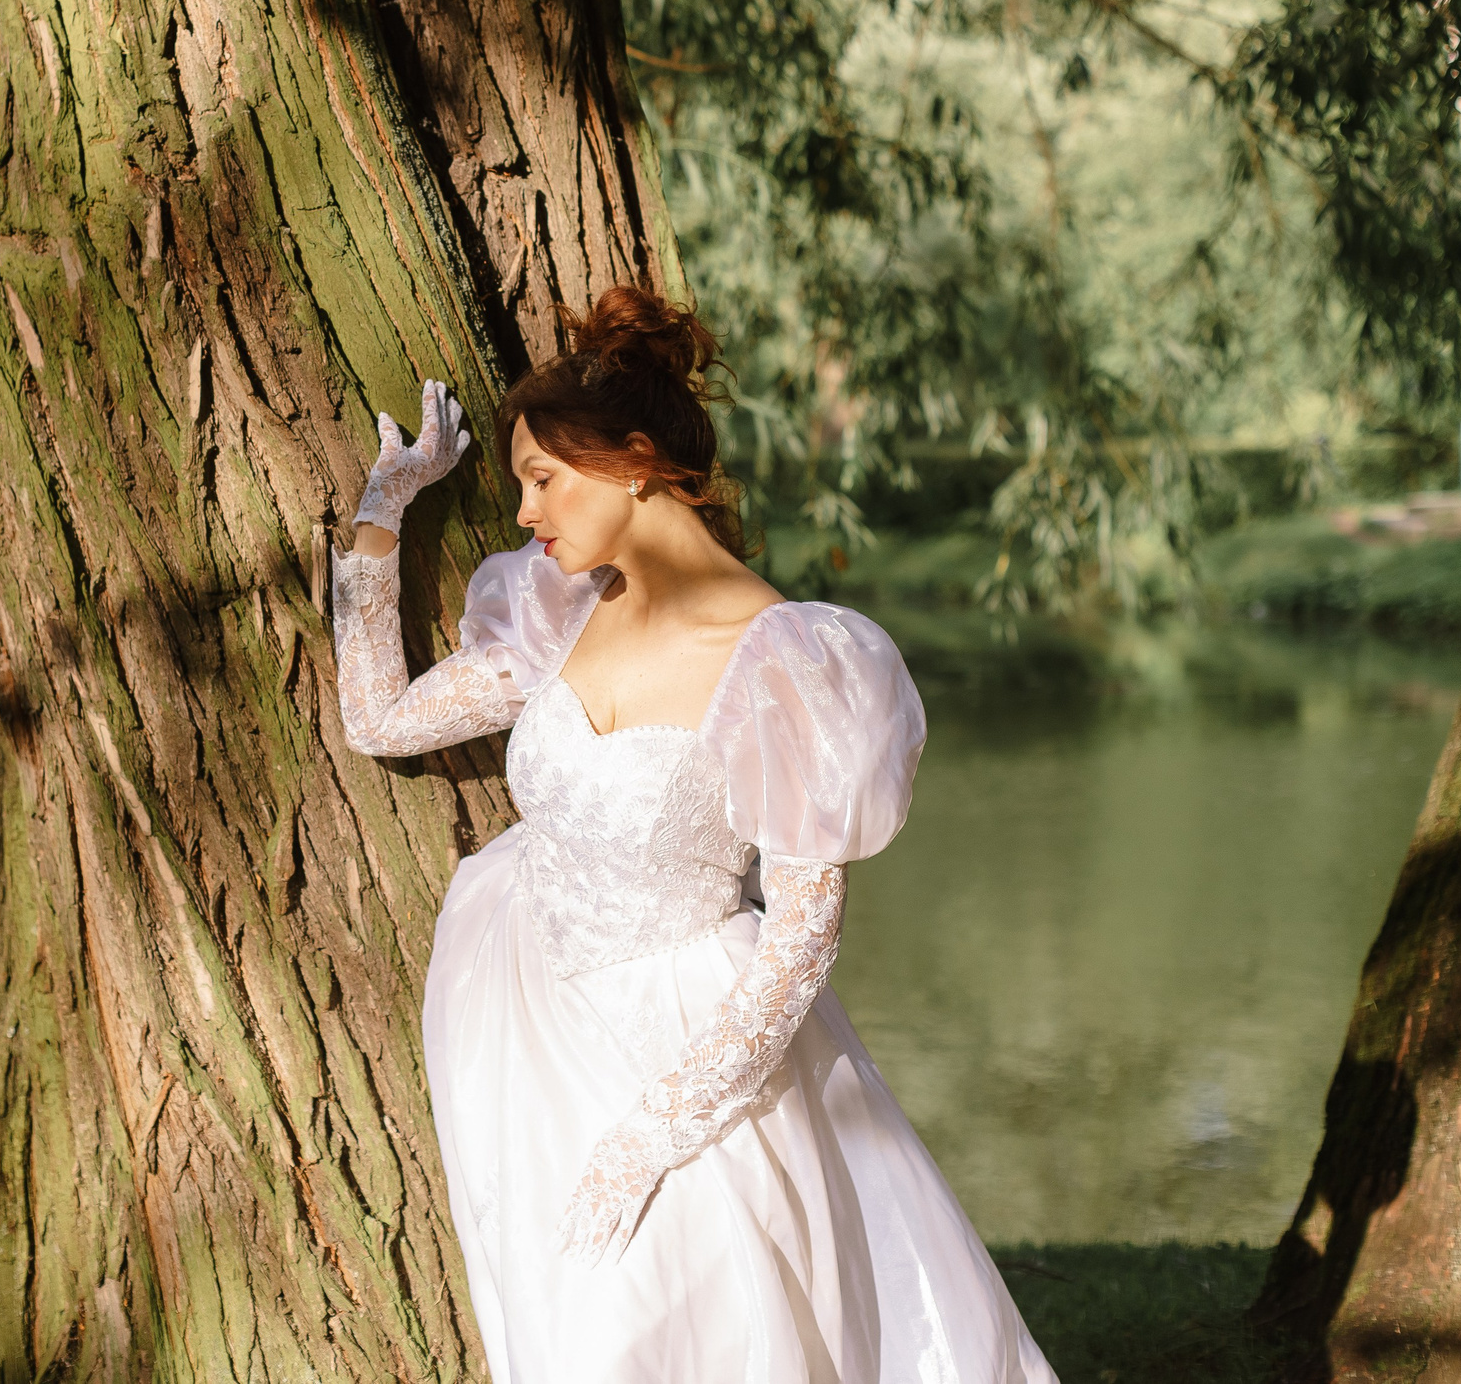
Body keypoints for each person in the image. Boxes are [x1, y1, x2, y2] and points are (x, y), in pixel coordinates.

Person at [330, 287, 1058, 1383]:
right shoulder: (559, 612)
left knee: (673, 1333)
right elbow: (378, 720)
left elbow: (802, 939)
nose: (524, 513)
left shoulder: (789, 662)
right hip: (523, 1028)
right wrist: (383, 509)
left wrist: (649, 1136)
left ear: (633, 462)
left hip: (689, 1054)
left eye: (543, 479)